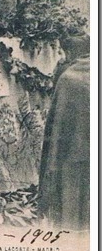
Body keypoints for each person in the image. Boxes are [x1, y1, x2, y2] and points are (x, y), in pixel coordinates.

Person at [38, 33, 90, 230]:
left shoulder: (68, 78)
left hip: (72, 155)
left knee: (73, 211)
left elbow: (56, 124)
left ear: (70, 51)